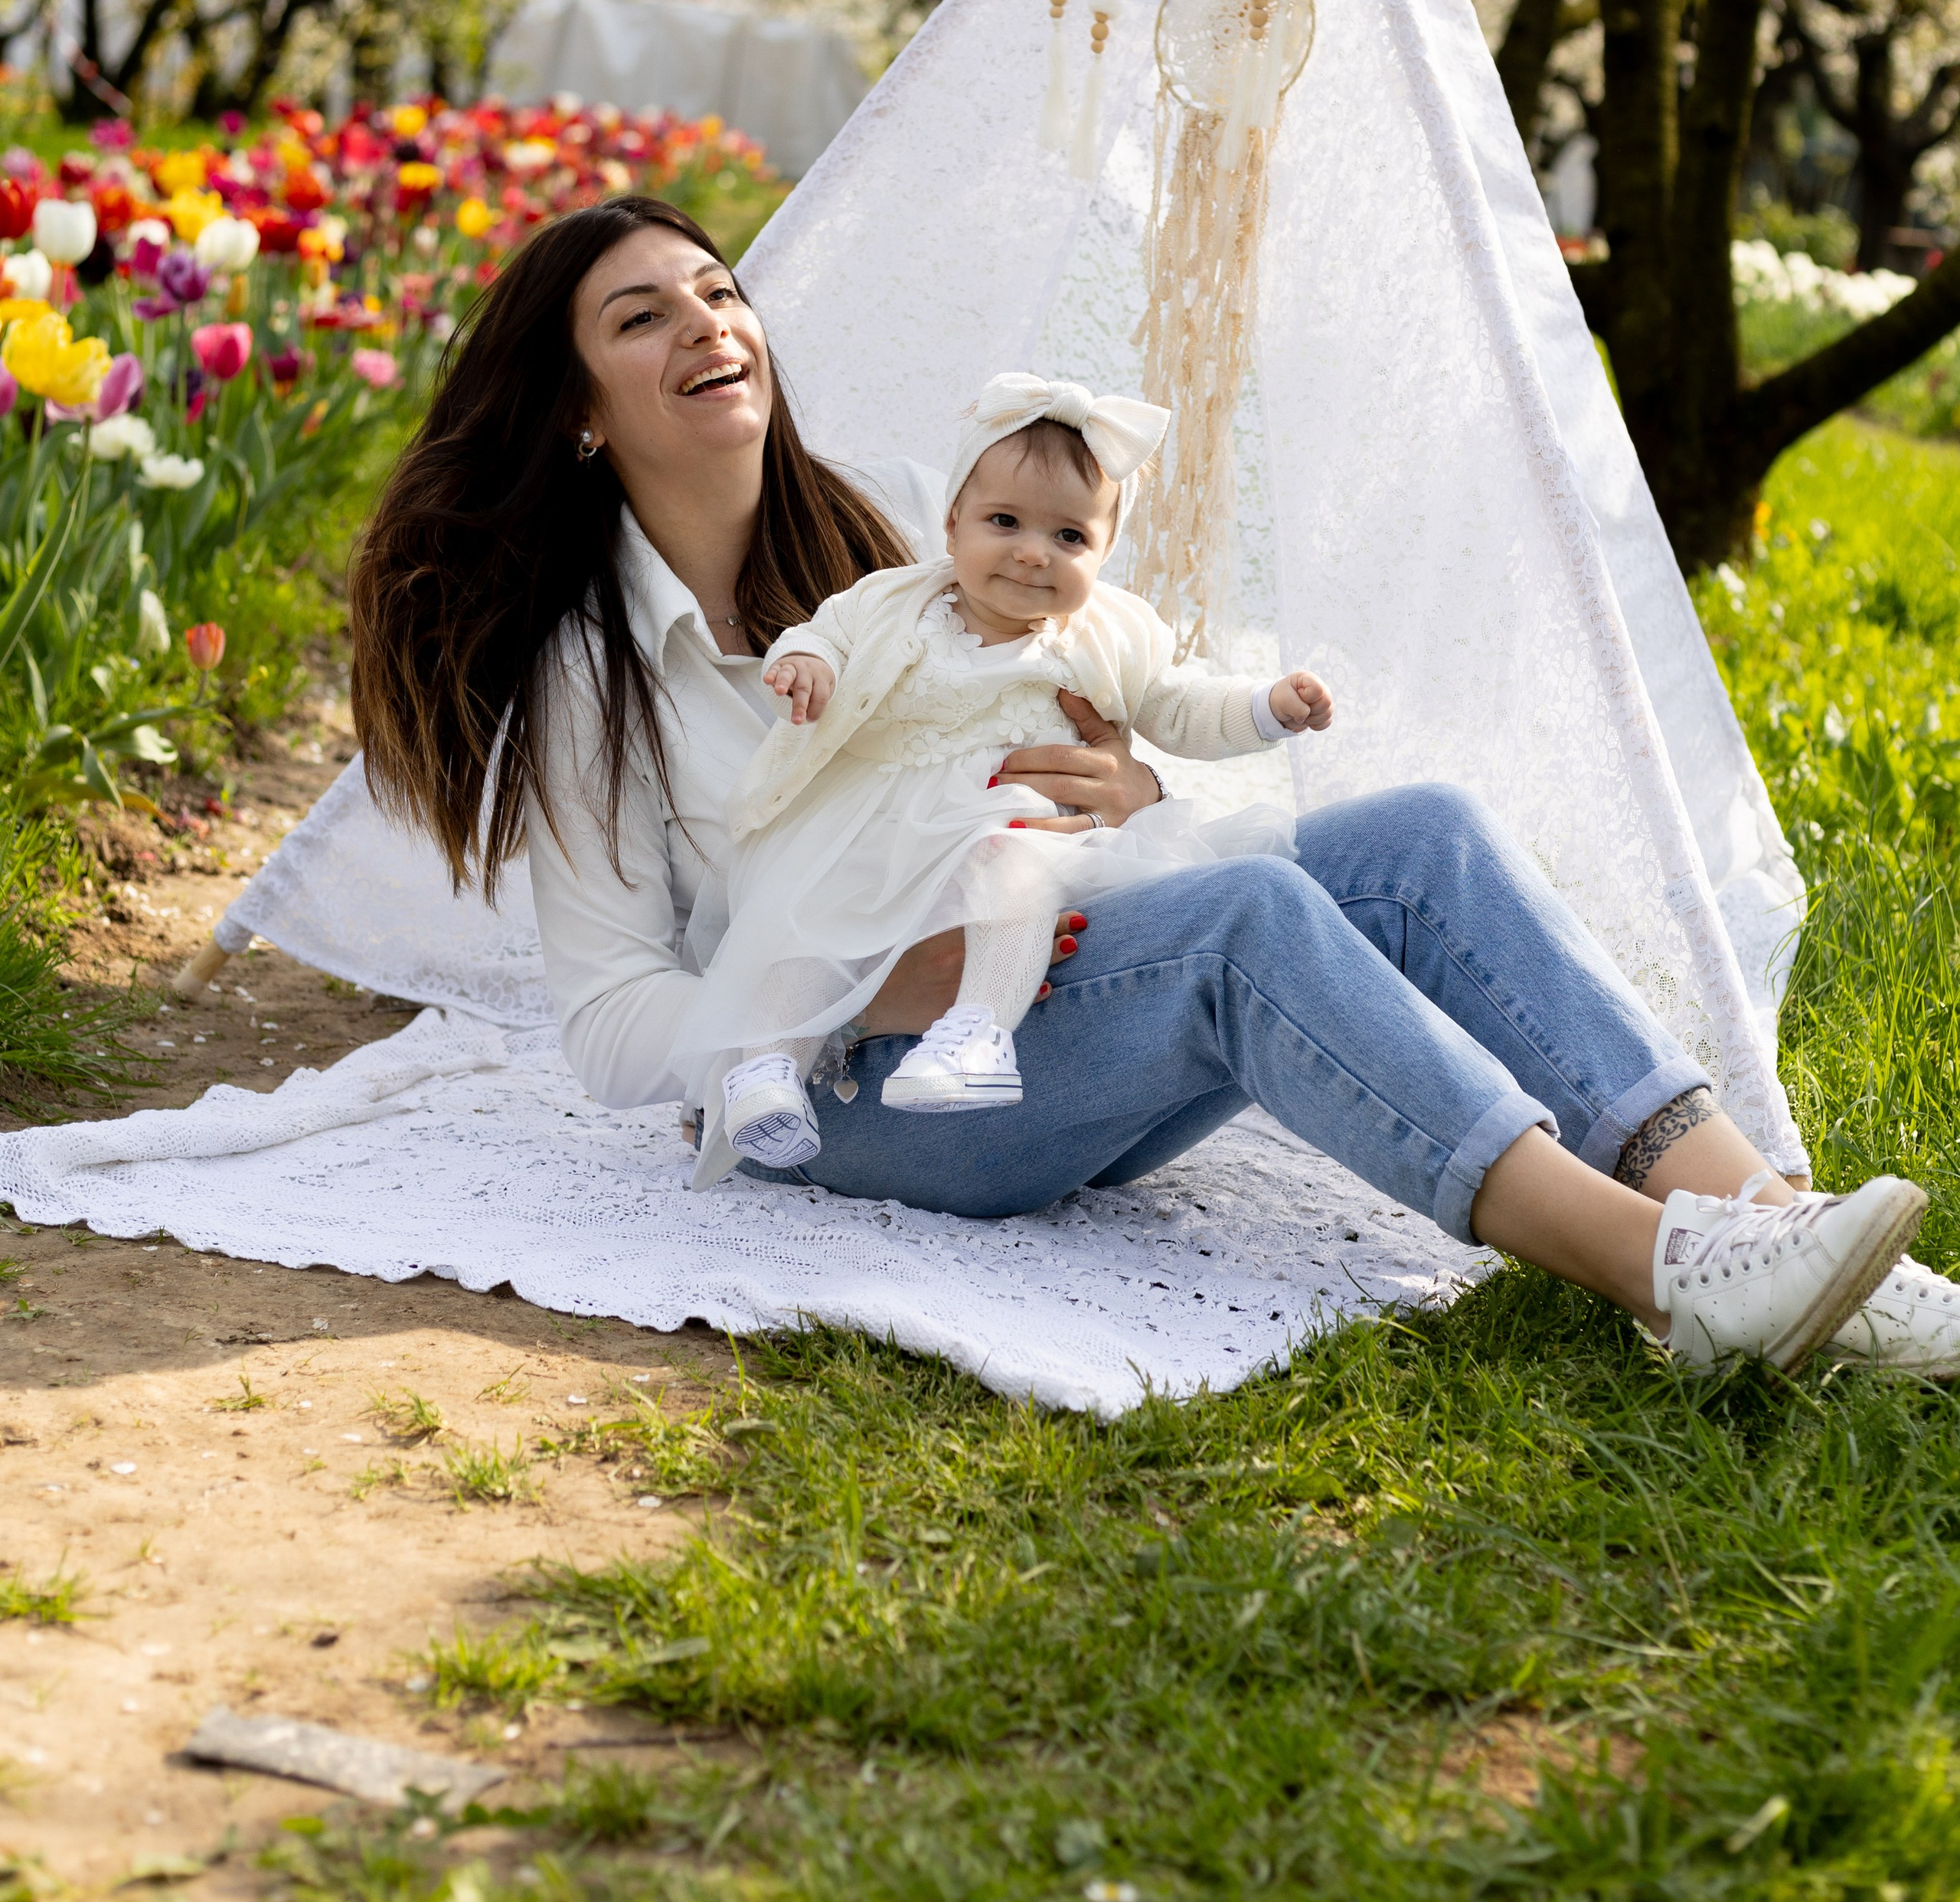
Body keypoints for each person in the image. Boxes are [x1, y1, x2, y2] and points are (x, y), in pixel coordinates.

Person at [349, 194, 1957, 1377]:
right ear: (574, 410)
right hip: (864, 1102)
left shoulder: (917, 519)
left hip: (1052, 971)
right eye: (643, 318)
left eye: (717, 289)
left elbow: (1107, 755)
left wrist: (1126, 791)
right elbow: (611, 1022)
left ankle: (1781, 1237)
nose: (708, 323)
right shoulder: (591, 682)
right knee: (1245, 922)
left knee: (1418, 837)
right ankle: (1667, 1280)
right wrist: (833, 996)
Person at [691, 371, 1332, 1175]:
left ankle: (975, 1037)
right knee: (805, 938)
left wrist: (1269, 706)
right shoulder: (893, 600)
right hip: (877, 839)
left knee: (1014, 867)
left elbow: (1179, 705)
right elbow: (824, 636)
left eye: (1071, 537)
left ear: (1102, 553)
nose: (1034, 552)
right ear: (953, 523)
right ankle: (765, 1074)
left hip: (1006, 830)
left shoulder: (1110, 631)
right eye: (1005, 521)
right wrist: (807, 666)